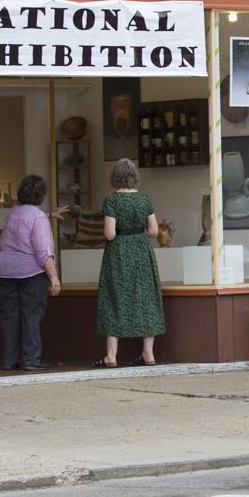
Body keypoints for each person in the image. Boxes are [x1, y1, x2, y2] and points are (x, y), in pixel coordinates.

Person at [0, 174, 66, 371]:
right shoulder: (38, 218)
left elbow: (28, 219)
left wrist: (49, 214)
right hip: (30, 273)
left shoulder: (13, 212)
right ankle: (32, 360)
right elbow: (43, 251)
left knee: (9, 317)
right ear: (41, 195)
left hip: (2, 271)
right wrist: (54, 276)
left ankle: (9, 361)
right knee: (31, 315)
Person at [95, 158, 164, 368]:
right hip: (142, 251)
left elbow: (109, 234)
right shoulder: (145, 199)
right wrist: (138, 232)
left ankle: (111, 356)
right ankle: (148, 354)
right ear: (134, 176)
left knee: (113, 298)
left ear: (114, 177)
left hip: (118, 252)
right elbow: (154, 231)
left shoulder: (112, 201)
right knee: (146, 298)